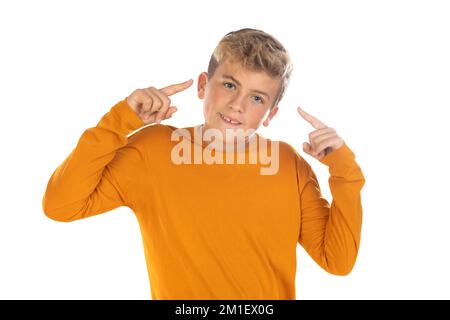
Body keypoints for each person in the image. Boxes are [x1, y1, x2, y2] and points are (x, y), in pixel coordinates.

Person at [42, 28, 366, 300]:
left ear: (270, 114)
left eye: (257, 98)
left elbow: (336, 261)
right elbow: (61, 205)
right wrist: (119, 122)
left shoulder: (288, 165)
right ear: (202, 85)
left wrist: (344, 171)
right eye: (229, 85)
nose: (237, 105)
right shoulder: (154, 150)